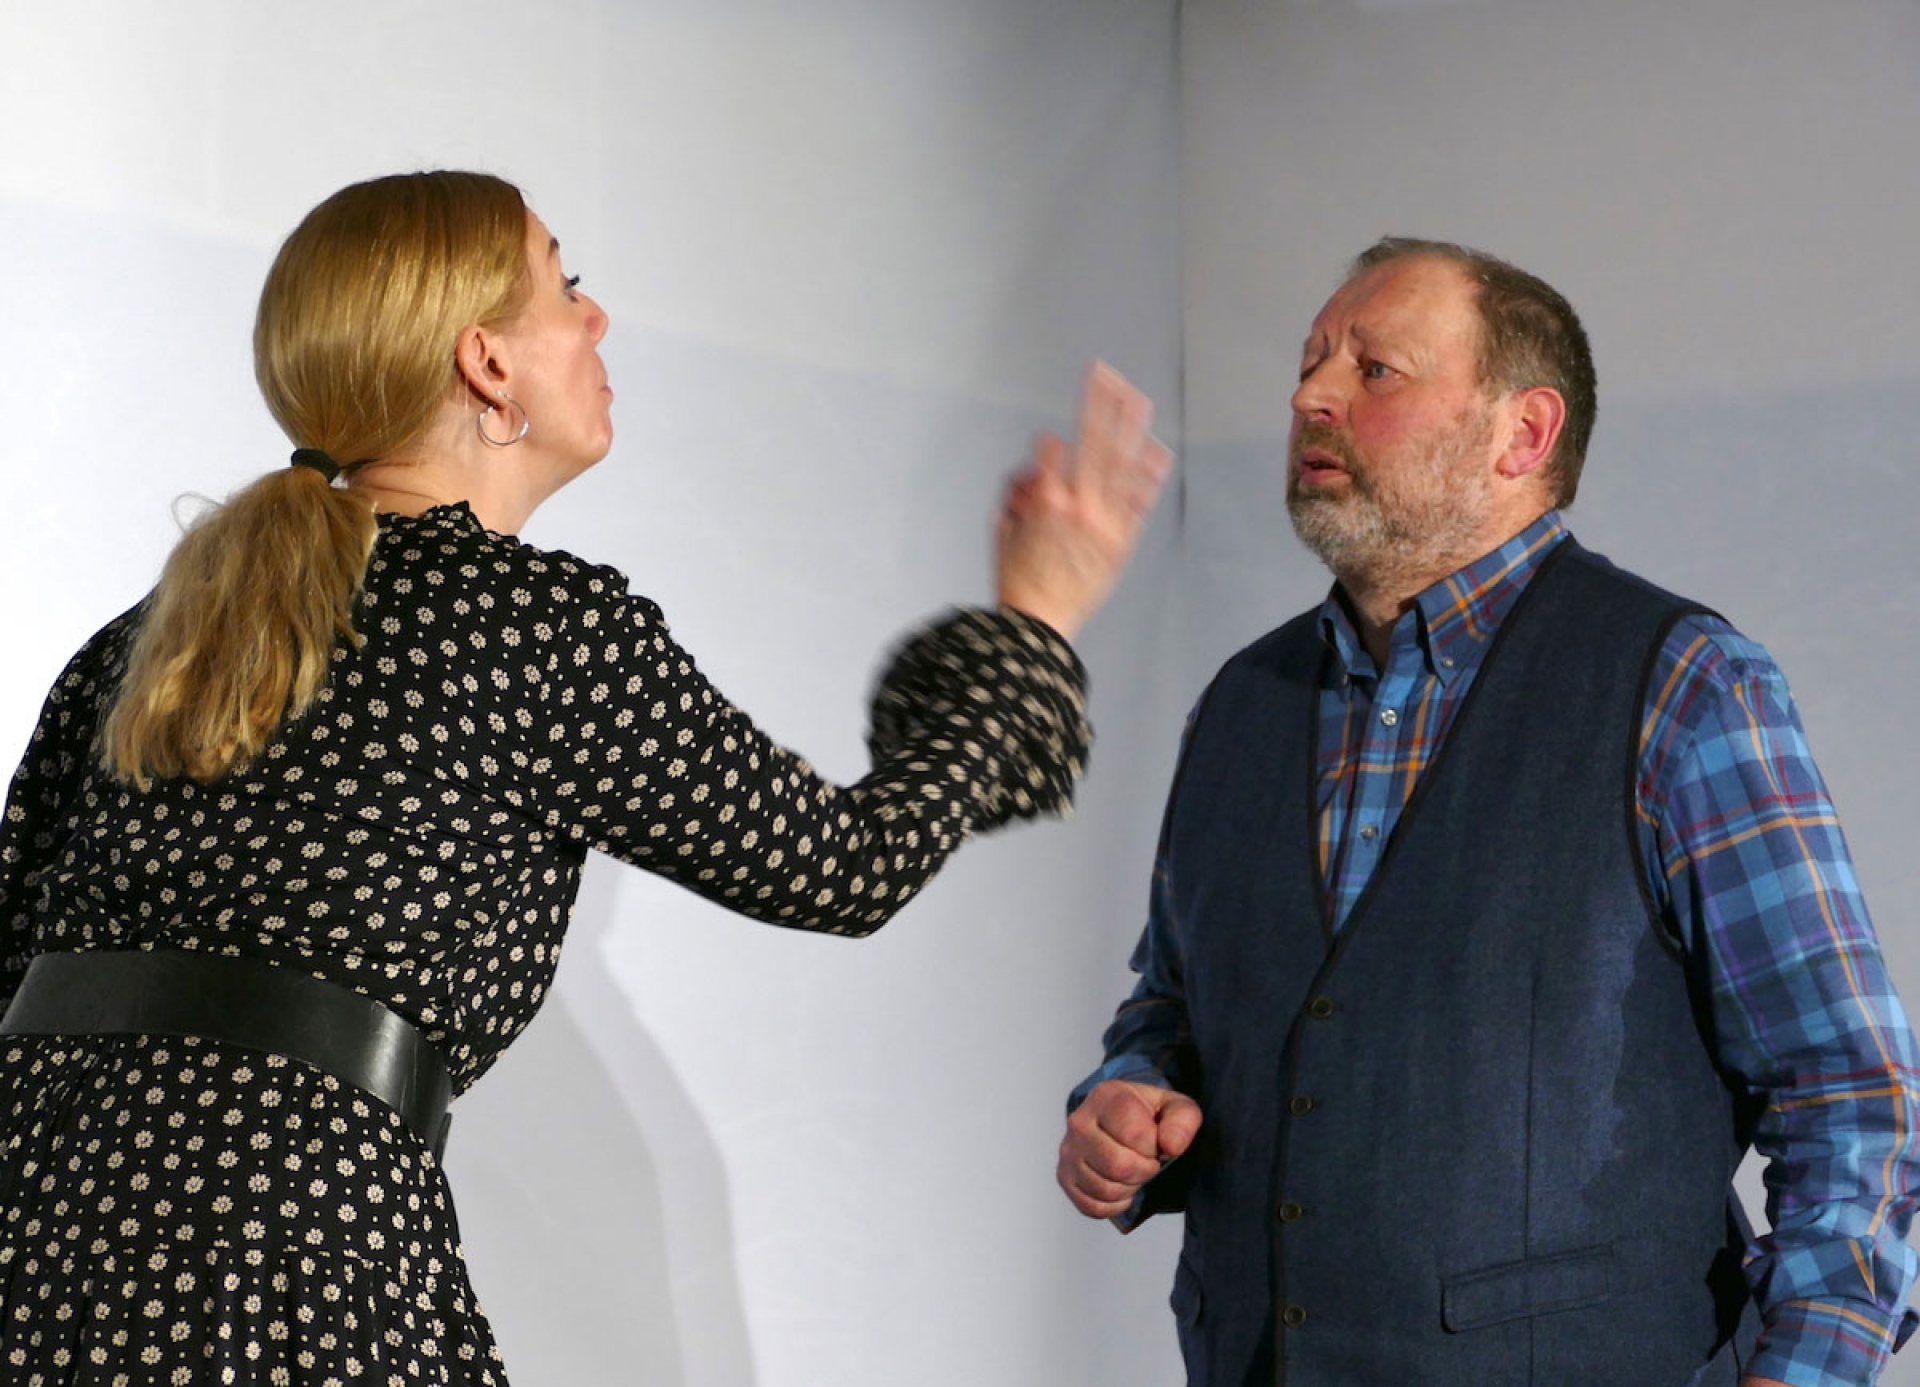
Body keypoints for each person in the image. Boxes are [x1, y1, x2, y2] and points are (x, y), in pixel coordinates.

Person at [0, 169, 1169, 1384]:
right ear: (487, 363)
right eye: (567, 286)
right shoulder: (536, 626)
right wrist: (1034, 617)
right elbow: (844, 865)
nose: (597, 317)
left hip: (33, 1222)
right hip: (281, 1237)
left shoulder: (148, 638)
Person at [1056, 237, 1920, 1386]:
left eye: (1374, 369)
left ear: (1523, 434)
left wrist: (1804, 1371)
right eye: (1310, 363)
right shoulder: (1238, 705)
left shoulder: (1683, 686)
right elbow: (1173, 1004)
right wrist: (1130, 1095)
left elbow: (1853, 1097)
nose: (1311, 395)